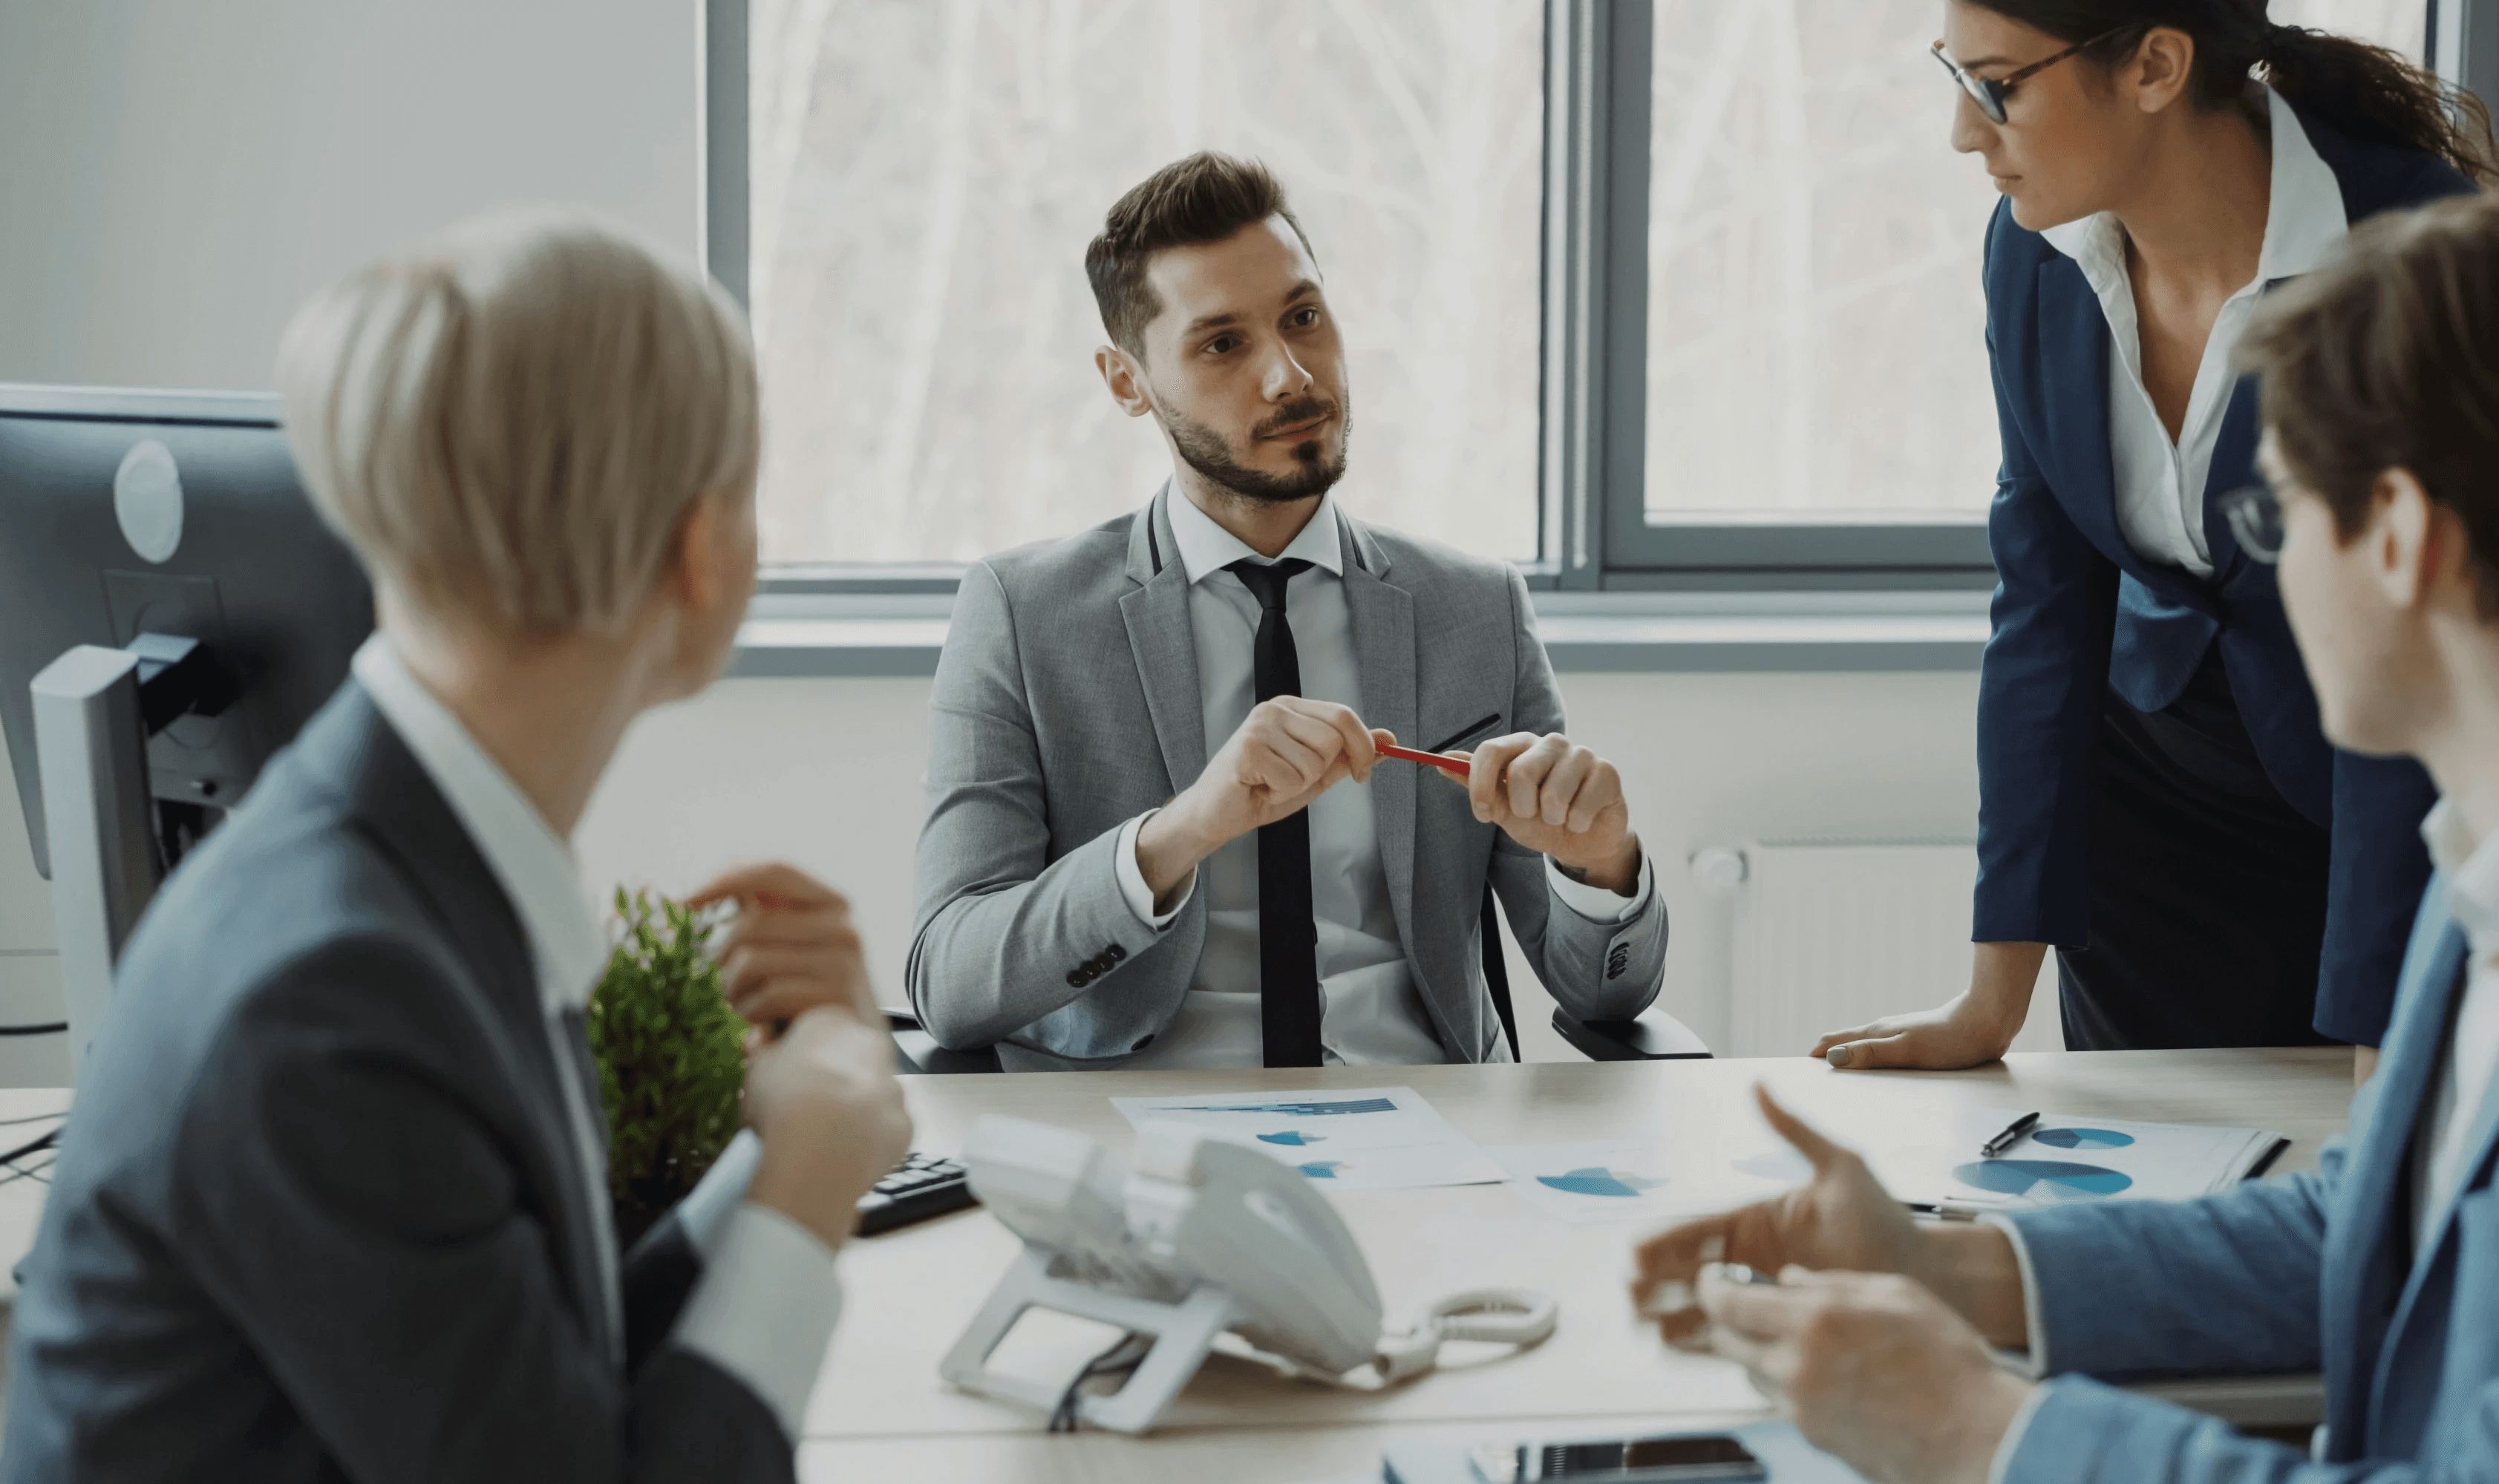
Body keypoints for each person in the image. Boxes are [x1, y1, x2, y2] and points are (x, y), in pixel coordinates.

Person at [1, 209, 912, 1481]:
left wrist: (792, 1139)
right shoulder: (333, 998)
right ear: (701, 552)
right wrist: (807, 1190)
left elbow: (532, 1383)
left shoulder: (395, 872)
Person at [1637, 190, 2499, 1483]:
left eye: (2272, 518)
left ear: (2397, 538)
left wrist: (1979, 1429)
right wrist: (1950, 1267)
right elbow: (2370, 1225)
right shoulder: (2464, 884)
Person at [1812, 1, 2492, 1075]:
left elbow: (2412, 645)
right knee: (2153, 1184)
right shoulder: (2033, 251)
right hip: (2152, 805)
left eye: (1998, 86)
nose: (1960, 132)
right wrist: (1992, 999)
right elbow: (2043, 603)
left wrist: (2377, 1039)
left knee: (2362, 1185)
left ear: (2156, 67)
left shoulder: (2411, 254)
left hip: (2386, 793)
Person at [907, 152, 1667, 1070]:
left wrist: (1600, 867)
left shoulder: (1475, 609)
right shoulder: (1024, 617)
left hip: (1432, 1138)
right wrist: (1184, 829)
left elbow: (1608, 994)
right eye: (1222, 343)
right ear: (1126, 381)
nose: (1290, 376)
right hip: (1148, 1149)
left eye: (1304, 318)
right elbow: (949, 981)